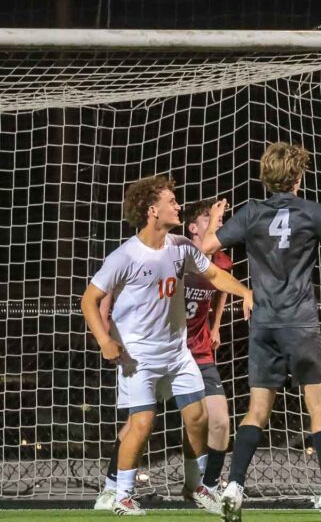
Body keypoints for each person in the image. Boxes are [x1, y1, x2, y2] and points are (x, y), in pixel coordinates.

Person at [200, 142, 321, 522]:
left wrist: (214, 218)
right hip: (300, 323)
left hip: (263, 325)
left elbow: (207, 245)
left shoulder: (252, 212)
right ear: (298, 177)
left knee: (256, 410)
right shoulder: (311, 211)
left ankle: (234, 486)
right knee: (320, 409)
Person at [81, 175, 253, 515]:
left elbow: (215, 276)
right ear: (151, 210)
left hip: (177, 354)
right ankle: (121, 494)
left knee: (198, 416)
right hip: (138, 356)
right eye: (171, 201)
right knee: (141, 425)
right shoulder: (125, 255)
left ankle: (196, 488)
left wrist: (246, 292)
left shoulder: (181, 247)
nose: (177, 205)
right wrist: (103, 340)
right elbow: (90, 299)